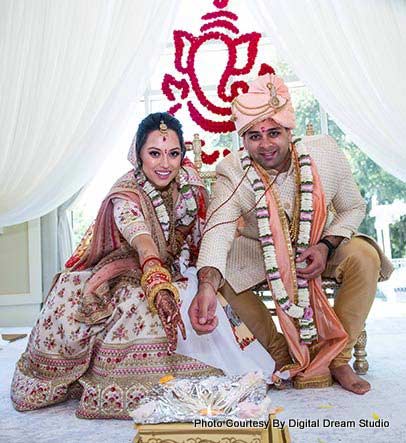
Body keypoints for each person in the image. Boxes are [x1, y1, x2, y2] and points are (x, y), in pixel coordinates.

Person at [11, 112, 276, 419]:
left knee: (196, 294)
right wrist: (155, 277)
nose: (165, 164)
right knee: (133, 303)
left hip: (176, 269)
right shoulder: (125, 193)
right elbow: (142, 240)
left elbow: (205, 234)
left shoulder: (190, 186)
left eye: (173, 154)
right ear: (138, 155)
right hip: (128, 269)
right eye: (154, 154)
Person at [189, 74, 393, 395]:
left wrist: (327, 245)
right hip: (261, 252)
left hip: (320, 245)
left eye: (274, 133)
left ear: (289, 131)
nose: (266, 144)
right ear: (243, 140)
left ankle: (337, 357)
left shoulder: (324, 153)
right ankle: (280, 355)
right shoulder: (233, 171)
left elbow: (353, 207)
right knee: (220, 277)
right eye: (254, 136)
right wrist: (205, 284)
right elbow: (217, 229)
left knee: (365, 257)